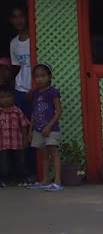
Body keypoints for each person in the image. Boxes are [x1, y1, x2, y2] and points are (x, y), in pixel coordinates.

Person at [8, 5, 34, 183]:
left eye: (21, 16)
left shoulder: (36, 38)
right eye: (14, 17)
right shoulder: (14, 43)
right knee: (20, 134)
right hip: (20, 91)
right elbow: (16, 68)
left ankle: (35, 171)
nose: (18, 20)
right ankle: (23, 173)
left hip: (35, 91)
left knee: (36, 132)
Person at [29, 63, 62, 192]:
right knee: (43, 154)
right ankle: (45, 179)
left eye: (43, 76)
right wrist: (31, 129)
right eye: (36, 76)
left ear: (49, 77)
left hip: (51, 129)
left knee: (53, 153)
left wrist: (49, 126)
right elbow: (34, 112)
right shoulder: (35, 94)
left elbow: (59, 110)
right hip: (38, 128)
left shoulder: (52, 92)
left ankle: (58, 181)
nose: (39, 79)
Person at [0, 87, 30, 186]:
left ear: (13, 97)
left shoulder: (17, 111)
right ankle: (4, 180)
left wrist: (25, 139)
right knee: (4, 164)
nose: (6, 99)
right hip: (2, 144)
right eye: (2, 97)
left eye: (8, 96)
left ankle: (22, 180)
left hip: (17, 143)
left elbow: (24, 125)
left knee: (20, 162)